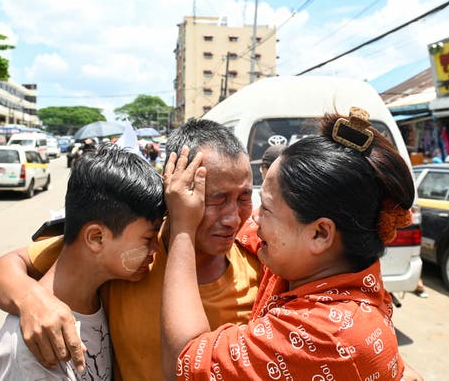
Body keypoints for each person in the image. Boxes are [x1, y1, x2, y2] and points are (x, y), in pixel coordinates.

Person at [0, 119, 260, 380]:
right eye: (216, 199)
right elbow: (0, 269)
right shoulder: (132, 248)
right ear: (176, 189)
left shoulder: (261, 262)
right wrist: (32, 300)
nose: (233, 218)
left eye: (244, 197)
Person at [162, 108, 414, 379]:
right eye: (218, 199)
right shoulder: (314, 266)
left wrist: (183, 228)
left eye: (266, 208)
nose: (251, 217)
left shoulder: (327, 335)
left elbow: (185, 359)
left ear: (319, 234)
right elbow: (247, 232)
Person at [0, 143, 164, 380]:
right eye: (149, 237)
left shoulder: (98, 295)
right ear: (96, 238)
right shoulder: (34, 341)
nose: (156, 248)